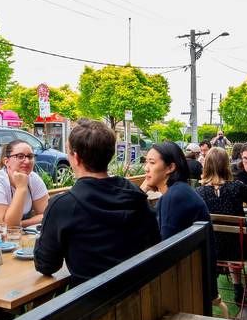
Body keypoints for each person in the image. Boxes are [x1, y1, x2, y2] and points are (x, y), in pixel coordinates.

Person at [34, 120, 160, 286]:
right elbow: (155, 241)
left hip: (92, 305)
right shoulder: (133, 193)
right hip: (139, 295)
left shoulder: (63, 205)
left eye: (68, 152)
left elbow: (46, 265)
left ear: (76, 158)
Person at [141, 141, 217, 299]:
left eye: (152, 162)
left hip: (191, 286)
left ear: (170, 168)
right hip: (198, 277)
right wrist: (142, 191)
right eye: (146, 162)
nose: (146, 168)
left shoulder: (173, 198)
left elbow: (165, 252)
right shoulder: (179, 191)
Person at [196, 148, 247, 302]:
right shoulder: (237, 187)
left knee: (222, 239)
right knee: (239, 239)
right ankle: (239, 288)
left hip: (212, 250)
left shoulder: (198, 192)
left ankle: (213, 284)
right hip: (241, 250)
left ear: (206, 166)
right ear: (226, 165)